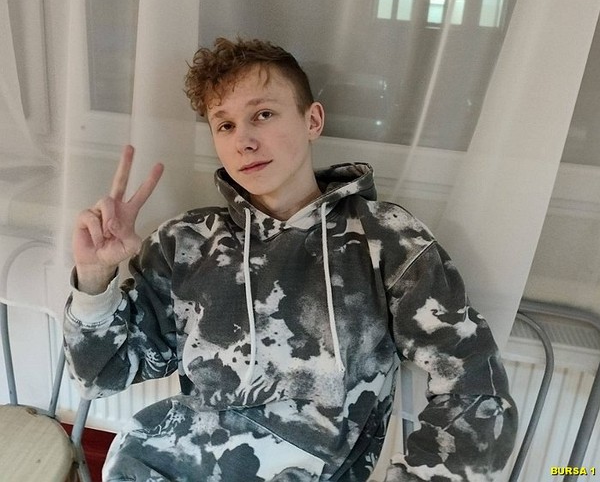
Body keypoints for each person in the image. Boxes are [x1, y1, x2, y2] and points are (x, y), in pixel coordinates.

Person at [63, 37, 517, 482]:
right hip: (155, 464)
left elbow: (476, 388)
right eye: (225, 125)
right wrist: (94, 276)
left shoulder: (384, 238)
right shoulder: (186, 242)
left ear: (312, 120)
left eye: (262, 114)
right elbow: (100, 374)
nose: (244, 141)